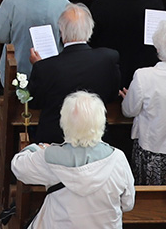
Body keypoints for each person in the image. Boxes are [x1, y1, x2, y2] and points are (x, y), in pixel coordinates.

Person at [10, 92, 136, 229]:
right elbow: (128, 204)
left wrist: (38, 148)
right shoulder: (118, 158)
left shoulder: (51, 157)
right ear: (101, 122)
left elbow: (18, 167)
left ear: (64, 122)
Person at [27, 4, 122, 144]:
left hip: (55, 139)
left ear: (61, 31)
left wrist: (40, 67)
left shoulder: (45, 67)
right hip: (95, 136)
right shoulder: (109, 58)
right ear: (90, 30)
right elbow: (112, 95)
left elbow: (34, 102)